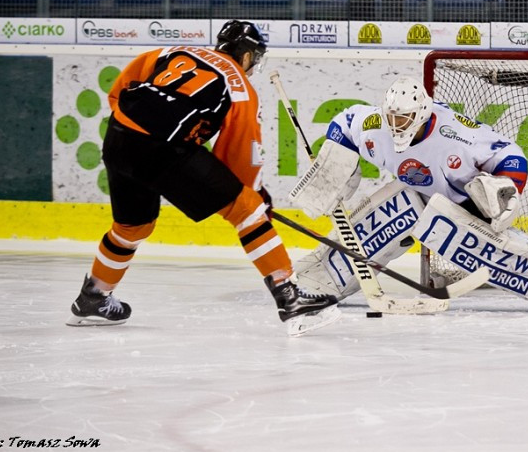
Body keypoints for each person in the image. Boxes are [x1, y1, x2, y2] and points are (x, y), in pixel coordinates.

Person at [66, 21, 340, 337]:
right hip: (161, 147)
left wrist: (141, 128)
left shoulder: (175, 50)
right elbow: (238, 153)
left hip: (118, 137)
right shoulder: (239, 85)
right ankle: (289, 297)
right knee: (247, 210)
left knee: (133, 226)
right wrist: (253, 194)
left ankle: (93, 297)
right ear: (248, 56)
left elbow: (122, 87)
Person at [288, 77, 528, 313]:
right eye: (390, 117)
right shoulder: (375, 127)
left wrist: (508, 189)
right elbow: (345, 121)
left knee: (472, 242)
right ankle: (319, 279)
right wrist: (334, 165)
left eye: (402, 119)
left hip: (465, 206)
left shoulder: (456, 134)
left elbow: (510, 154)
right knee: (399, 207)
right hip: (416, 195)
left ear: (420, 115)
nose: (394, 125)